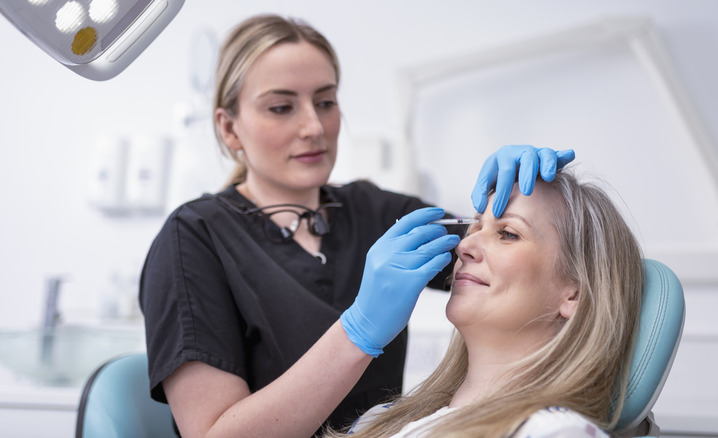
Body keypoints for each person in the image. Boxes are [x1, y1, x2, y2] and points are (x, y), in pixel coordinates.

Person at [139, 13, 573, 438]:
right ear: (229, 128)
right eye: (281, 107)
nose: (313, 126)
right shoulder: (194, 239)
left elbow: (502, 257)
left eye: (325, 102)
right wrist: (358, 332)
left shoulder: (378, 213)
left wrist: (513, 197)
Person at [329, 169, 644, 438]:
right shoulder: (381, 418)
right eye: (475, 227)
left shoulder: (553, 431)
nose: (464, 244)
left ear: (574, 293)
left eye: (507, 234)